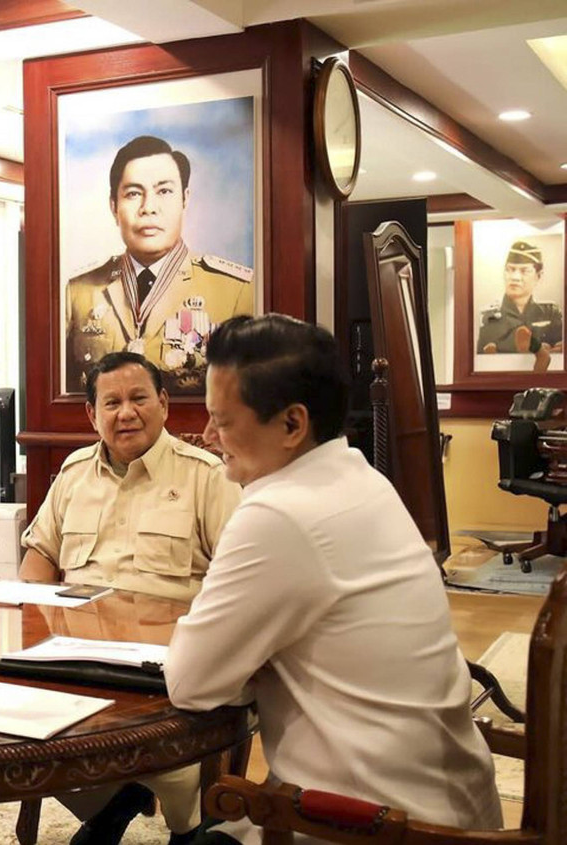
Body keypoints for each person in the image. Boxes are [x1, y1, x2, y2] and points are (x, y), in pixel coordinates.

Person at [165, 315, 501, 845]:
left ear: (292, 425)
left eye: (222, 421)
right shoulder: (363, 479)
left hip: (371, 826)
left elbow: (190, 684)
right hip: (452, 808)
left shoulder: (279, 515)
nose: (209, 437)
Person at [20, 350, 242, 845]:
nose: (126, 413)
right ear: (91, 414)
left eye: (139, 398)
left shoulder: (206, 476)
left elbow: (237, 582)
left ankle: (183, 828)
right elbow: (38, 554)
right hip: (73, 654)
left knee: (165, 750)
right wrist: (36, 628)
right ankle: (112, 798)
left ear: (163, 403)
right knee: (20, 732)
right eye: (112, 402)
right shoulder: (74, 473)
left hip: (163, 665)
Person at [65, 135, 253, 393]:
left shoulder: (237, 291)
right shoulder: (77, 292)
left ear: (185, 199)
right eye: (133, 193)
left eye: (164, 191)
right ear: (113, 206)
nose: (148, 208)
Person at [477, 240, 562, 356]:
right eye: (510, 269)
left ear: (539, 276)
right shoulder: (487, 316)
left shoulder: (551, 312)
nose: (515, 277)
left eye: (524, 271)